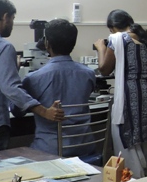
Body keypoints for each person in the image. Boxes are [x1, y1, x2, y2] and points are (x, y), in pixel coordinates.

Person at [0, 0, 64, 153]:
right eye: (12, 18)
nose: (12, 24)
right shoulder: (1, 46)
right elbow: (10, 88)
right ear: (5, 17)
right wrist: (44, 111)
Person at [94, 9, 147, 178]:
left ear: (113, 28)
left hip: (130, 99)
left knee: (130, 146)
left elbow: (104, 69)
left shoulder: (117, 39)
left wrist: (100, 48)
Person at [22, 19, 97, 156]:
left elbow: (17, 111)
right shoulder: (89, 74)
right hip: (85, 147)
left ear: (47, 43)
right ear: (73, 44)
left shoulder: (32, 79)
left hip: (49, 151)